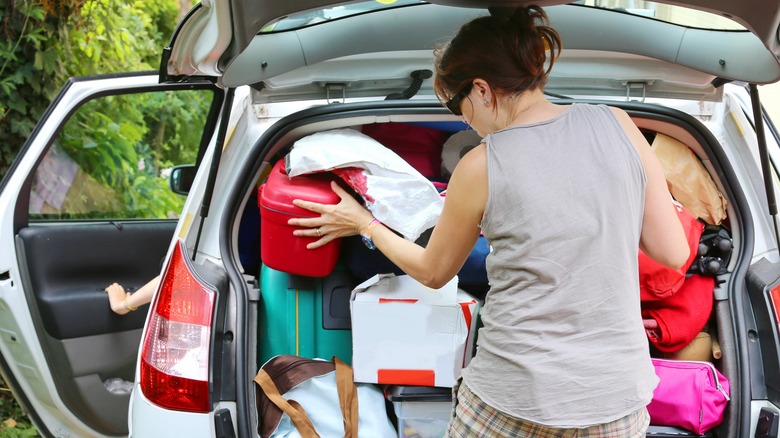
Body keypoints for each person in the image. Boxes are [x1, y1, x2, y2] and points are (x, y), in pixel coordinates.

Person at [287, 5, 690, 437]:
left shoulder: (481, 164)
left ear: (481, 89)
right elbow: (674, 251)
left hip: (514, 396)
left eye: (457, 105)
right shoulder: (619, 125)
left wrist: (365, 224)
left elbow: (433, 271)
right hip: (616, 400)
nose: (464, 120)